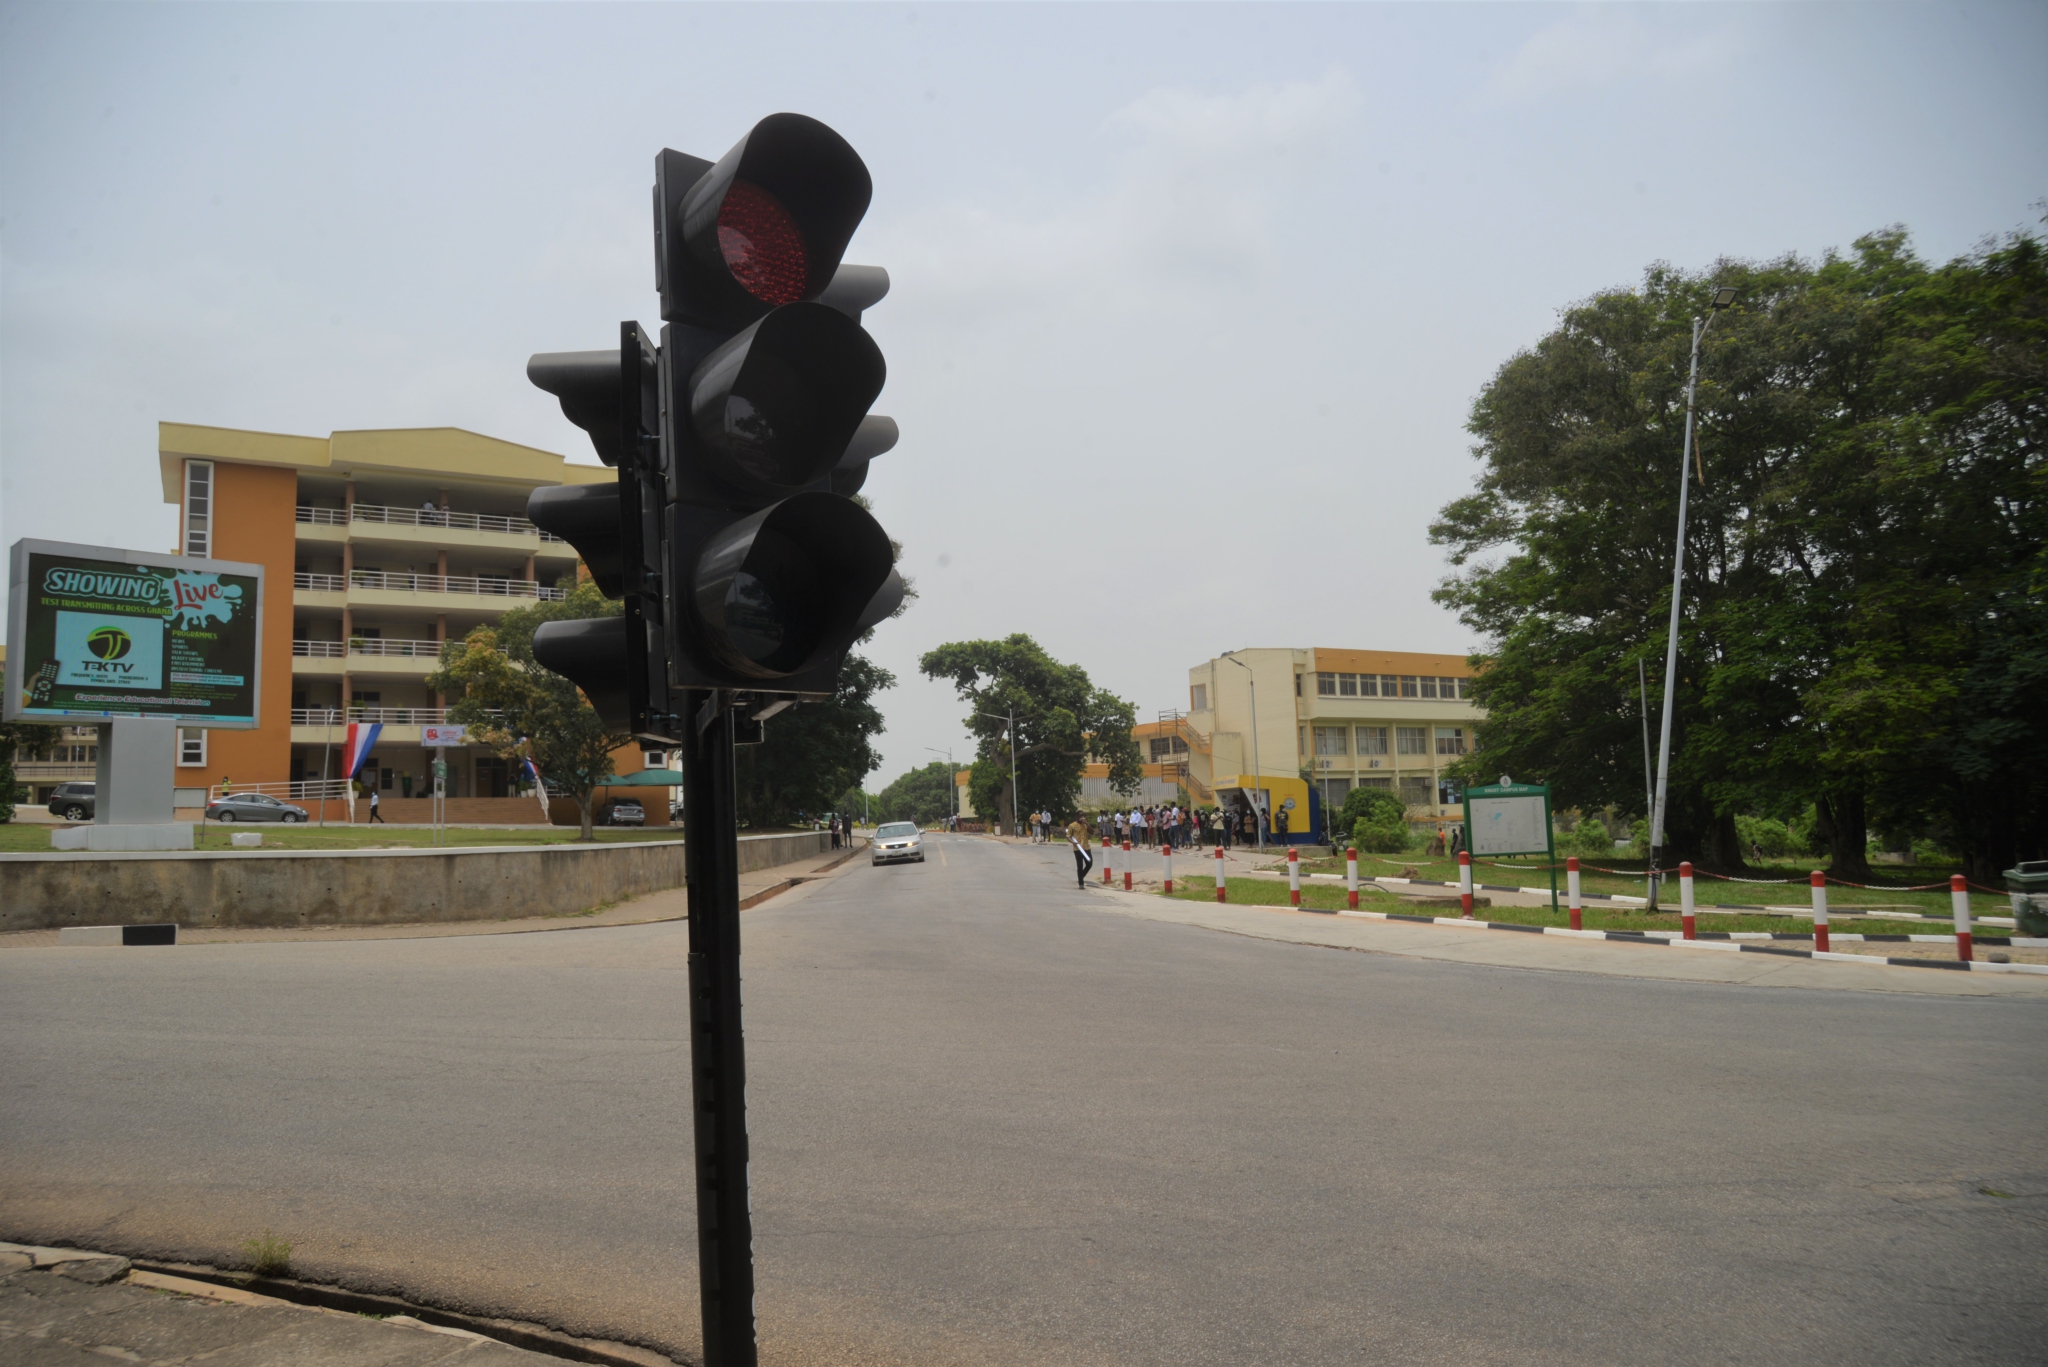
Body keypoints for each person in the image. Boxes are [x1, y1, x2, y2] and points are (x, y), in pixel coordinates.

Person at [1067, 819, 1094, 888]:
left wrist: (1087, 823)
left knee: (1089, 863)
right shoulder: (1072, 825)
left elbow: (1092, 832)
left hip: (1086, 847)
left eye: (1083, 816)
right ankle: (1081, 884)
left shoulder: (1085, 825)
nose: (1082, 817)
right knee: (1080, 865)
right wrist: (1073, 842)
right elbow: (1068, 836)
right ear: (1077, 817)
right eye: (1081, 816)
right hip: (1078, 848)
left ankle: (1081, 876)